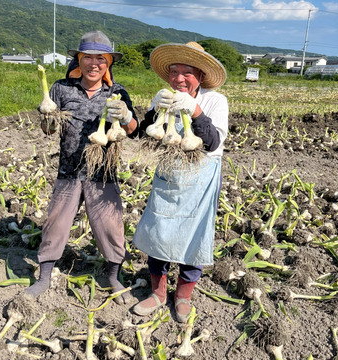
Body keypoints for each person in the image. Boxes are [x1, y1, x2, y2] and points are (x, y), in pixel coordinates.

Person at [24, 31, 138, 304]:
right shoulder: (61, 88)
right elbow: (48, 130)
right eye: (88, 57)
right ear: (79, 59)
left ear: (109, 62)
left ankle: (112, 275)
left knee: (111, 228)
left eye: (101, 58)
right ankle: (44, 276)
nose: (94, 63)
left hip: (103, 173)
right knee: (56, 224)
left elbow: (133, 130)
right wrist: (48, 119)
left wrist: (126, 115)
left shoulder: (117, 91)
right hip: (69, 170)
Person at [131, 42, 228, 322]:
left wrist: (195, 111)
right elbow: (149, 134)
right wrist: (152, 113)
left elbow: (213, 142)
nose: (179, 78)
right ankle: (158, 294)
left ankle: (183, 295)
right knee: (158, 230)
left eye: (187, 72)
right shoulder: (163, 96)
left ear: (200, 75)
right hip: (168, 175)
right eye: (174, 72)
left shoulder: (215, 101)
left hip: (201, 178)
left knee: (194, 236)